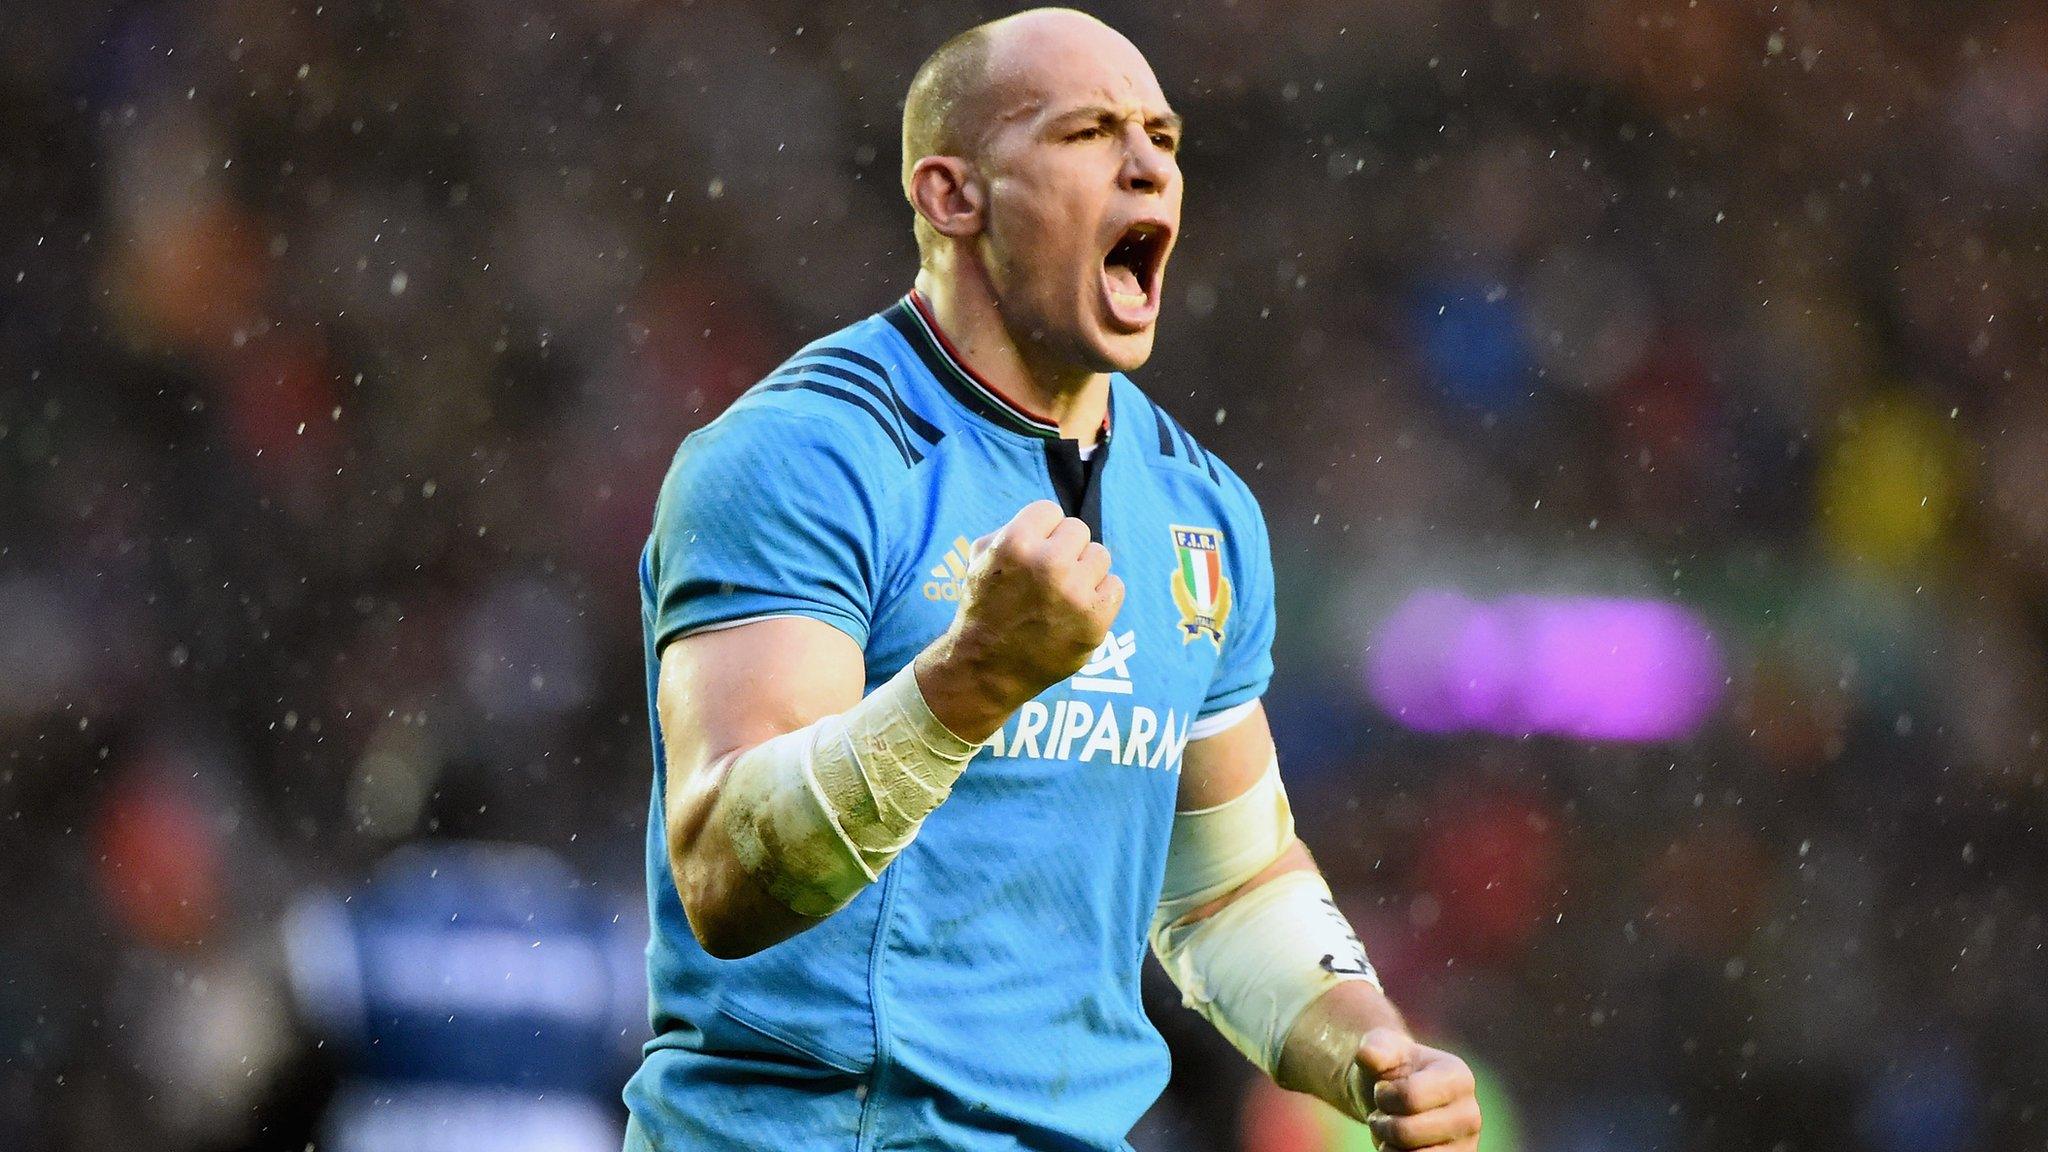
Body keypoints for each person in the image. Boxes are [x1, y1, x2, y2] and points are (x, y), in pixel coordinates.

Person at [624, 9, 1483, 1150]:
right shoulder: (800, 456)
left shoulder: (1197, 509)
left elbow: (1227, 888)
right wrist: (973, 678)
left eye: (1163, 138)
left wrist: (1367, 1044)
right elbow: (726, 874)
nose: (1146, 164)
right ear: (951, 196)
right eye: (1088, 132)